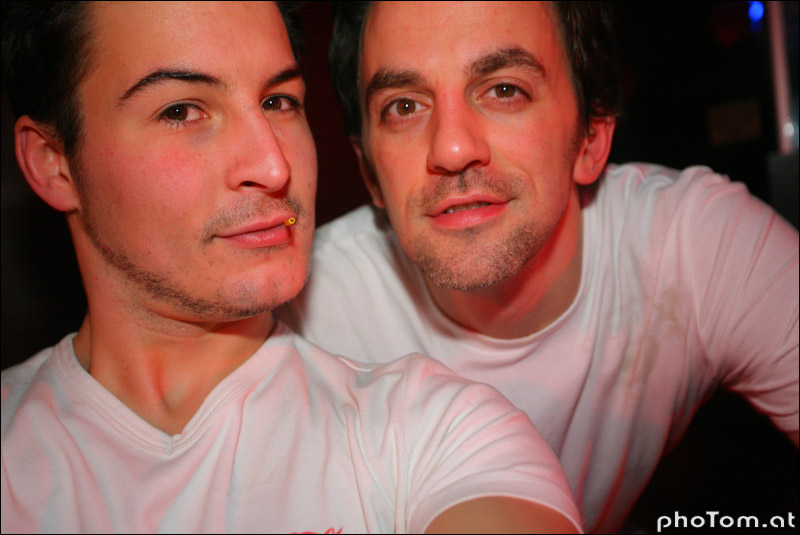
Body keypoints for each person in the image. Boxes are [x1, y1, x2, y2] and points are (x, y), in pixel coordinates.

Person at [0, 2, 584, 533]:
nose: (273, 165)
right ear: (54, 163)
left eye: (278, 102)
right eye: (182, 111)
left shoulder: (436, 432)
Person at [276, 2, 800, 532]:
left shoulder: (693, 246)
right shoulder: (299, 320)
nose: (452, 148)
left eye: (505, 90)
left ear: (591, 137)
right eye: (404, 106)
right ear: (370, 172)